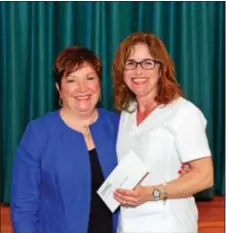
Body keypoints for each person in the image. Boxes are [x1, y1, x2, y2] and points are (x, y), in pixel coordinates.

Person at [10, 46, 120, 233]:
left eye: (90, 78)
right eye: (72, 80)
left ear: (99, 84)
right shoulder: (39, 132)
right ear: (59, 88)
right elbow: (24, 206)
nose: (83, 88)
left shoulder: (118, 124)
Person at [113, 32, 214, 233]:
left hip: (169, 225)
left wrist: (151, 193)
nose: (138, 71)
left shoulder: (184, 112)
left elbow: (205, 176)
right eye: (131, 63)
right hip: (128, 225)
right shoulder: (127, 112)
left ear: (161, 68)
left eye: (147, 63)